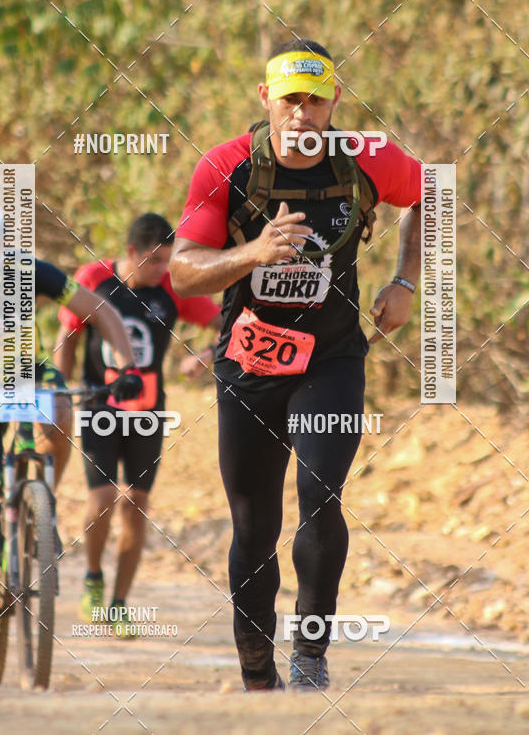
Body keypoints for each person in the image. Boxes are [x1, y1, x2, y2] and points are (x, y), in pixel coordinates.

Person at [169, 38, 422, 691]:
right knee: (254, 528)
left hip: (329, 360)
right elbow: (183, 271)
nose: (303, 113)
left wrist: (407, 281)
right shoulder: (226, 166)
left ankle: (311, 652)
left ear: (336, 99)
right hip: (249, 363)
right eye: (291, 100)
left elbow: (435, 195)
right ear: (266, 99)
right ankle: (258, 672)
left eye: (315, 99)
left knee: (319, 497)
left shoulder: (367, 158)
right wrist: (251, 252)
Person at [0, 197, 141, 657]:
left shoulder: (27, 271)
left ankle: (42, 504)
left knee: (62, 409)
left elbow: (100, 310)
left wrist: (127, 368)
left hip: (24, 376)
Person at [55, 213, 221, 625]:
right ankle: (93, 576)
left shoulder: (173, 287)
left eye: (168, 260)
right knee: (102, 499)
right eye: (156, 260)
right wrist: (59, 392)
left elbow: (227, 326)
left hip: (147, 411)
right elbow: (68, 336)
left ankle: (119, 604)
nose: (164, 269)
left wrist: (205, 356)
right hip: (99, 405)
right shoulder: (95, 277)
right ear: (131, 252)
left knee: (137, 506)